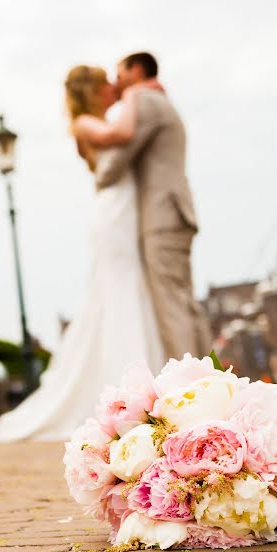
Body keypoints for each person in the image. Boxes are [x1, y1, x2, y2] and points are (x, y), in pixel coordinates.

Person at [0, 65, 164, 443]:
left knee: (129, 292)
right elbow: (125, 133)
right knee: (119, 292)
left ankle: (143, 388)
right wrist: (136, 95)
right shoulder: (85, 123)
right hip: (113, 213)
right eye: (106, 85)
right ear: (94, 91)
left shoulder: (98, 119)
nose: (113, 88)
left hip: (125, 209)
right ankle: (130, 392)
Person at [76, 52, 212, 359]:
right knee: (183, 301)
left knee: (171, 305)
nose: (117, 82)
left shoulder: (145, 102)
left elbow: (112, 166)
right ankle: (207, 378)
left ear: (136, 70)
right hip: (171, 212)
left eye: (120, 73)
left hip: (162, 216)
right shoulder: (157, 100)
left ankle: (190, 387)